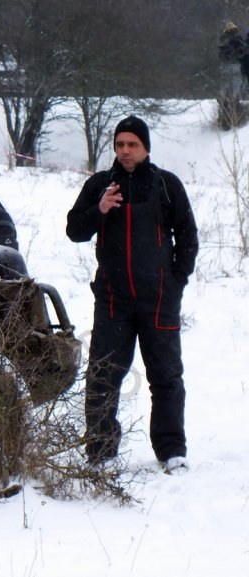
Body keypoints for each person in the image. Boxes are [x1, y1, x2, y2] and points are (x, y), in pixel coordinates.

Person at [66, 115, 198, 475]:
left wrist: (175, 282)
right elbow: (74, 230)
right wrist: (100, 210)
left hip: (158, 299)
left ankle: (172, 451)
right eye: (120, 144)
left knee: (166, 376)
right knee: (103, 374)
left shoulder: (166, 185)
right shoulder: (99, 185)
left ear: (145, 148)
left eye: (132, 145)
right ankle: (100, 450)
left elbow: (187, 236)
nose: (125, 151)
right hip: (113, 300)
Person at [218, 21, 249, 97]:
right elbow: (244, 51)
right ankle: (235, 99)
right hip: (237, 64)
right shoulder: (238, 39)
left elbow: (222, 53)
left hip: (227, 65)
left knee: (227, 84)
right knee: (236, 84)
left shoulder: (223, 40)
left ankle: (227, 98)